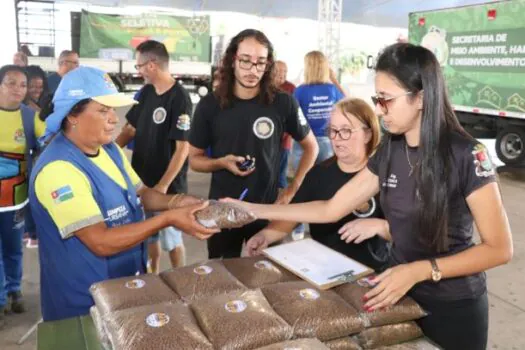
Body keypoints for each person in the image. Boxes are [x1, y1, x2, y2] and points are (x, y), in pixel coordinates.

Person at [226, 43, 513, 350]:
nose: (378, 109)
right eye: (378, 99)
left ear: (422, 98)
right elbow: (331, 209)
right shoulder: (391, 149)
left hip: (454, 307)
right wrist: (251, 210)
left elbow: (499, 248)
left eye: (386, 100)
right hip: (396, 294)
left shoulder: (467, 154)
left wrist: (419, 270)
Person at [29, 66, 216, 322]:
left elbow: (142, 194)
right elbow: (100, 241)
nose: (115, 119)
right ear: (73, 114)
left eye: (113, 110)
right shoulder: (58, 169)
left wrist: (177, 201)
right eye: (103, 111)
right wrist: (168, 219)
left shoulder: (109, 151)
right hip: (83, 304)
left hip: (123, 289)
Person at [189, 29, 319, 259]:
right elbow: (195, 161)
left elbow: (312, 146)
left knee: (264, 278)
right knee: (222, 278)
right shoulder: (210, 105)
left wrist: (292, 188)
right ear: (232, 60)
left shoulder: (282, 103)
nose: (253, 70)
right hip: (221, 208)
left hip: (267, 209)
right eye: (246, 61)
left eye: (260, 63)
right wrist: (221, 163)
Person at [245, 98, 389, 270]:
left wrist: (380, 227)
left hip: (371, 272)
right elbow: (293, 217)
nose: (337, 139)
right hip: (323, 269)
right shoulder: (318, 174)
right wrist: (265, 235)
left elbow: (407, 234)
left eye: (346, 131)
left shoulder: (384, 176)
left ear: (368, 134)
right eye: (333, 131)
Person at [115, 40, 192, 273]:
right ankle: (154, 276)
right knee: (149, 236)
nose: (137, 71)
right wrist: (106, 153)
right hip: (142, 184)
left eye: (138, 66)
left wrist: (162, 186)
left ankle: (180, 280)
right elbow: (130, 129)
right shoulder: (146, 92)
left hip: (167, 189)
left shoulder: (179, 97)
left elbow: (182, 149)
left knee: (172, 240)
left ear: (151, 65)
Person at [0, 65, 46, 328]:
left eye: (22, 84)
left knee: (13, 249)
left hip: (15, 200)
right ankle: (0, 298)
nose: (18, 89)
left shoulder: (31, 118)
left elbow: (50, 140)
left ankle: (14, 290)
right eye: (10, 83)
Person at [274, 60, 296, 190]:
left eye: (285, 71)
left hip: (284, 140)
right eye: (279, 71)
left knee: (281, 175)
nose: (282, 74)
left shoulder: (291, 88)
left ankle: (281, 202)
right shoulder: (265, 87)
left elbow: (294, 115)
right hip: (266, 140)